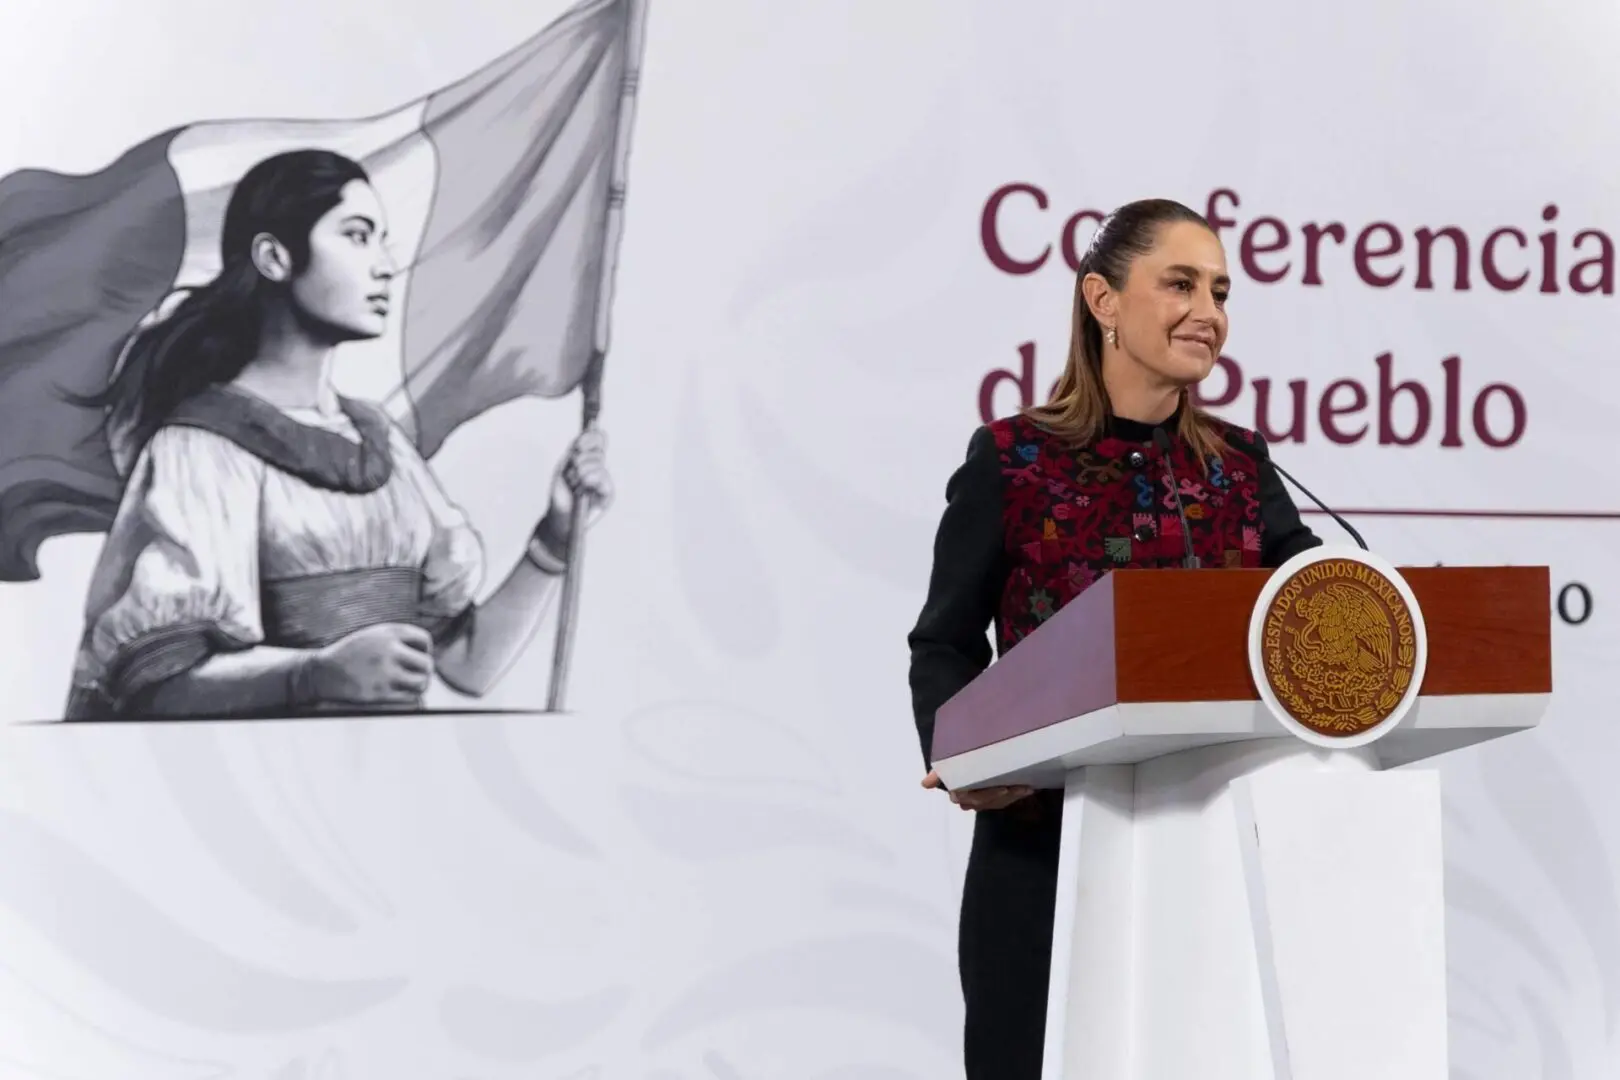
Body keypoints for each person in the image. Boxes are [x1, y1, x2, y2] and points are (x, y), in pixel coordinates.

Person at [906, 198, 1322, 1077]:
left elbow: (1316, 604)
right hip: (1040, 857)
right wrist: (964, 756)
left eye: (1221, 290)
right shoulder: (1014, 459)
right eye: (1180, 283)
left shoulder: (1241, 467)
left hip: (1210, 855)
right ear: (1102, 300)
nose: (1209, 312)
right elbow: (945, 642)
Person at [63, 148, 611, 720]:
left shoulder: (382, 444)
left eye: (381, 239)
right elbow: (156, 689)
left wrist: (555, 538)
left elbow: (468, 666)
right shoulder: (202, 447)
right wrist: (314, 674)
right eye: (357, 235)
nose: (383, 265)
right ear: (275, 258)